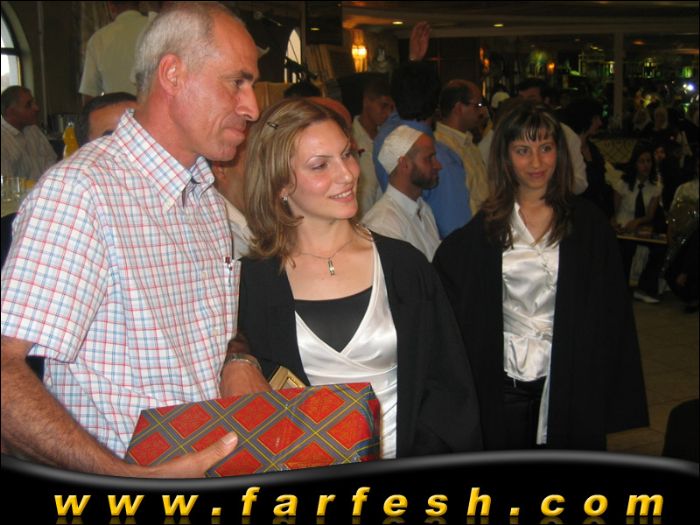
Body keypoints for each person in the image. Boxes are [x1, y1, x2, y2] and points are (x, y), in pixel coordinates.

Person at [1, 2, 269, 477]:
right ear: (173, 74)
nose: (252, 107)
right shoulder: (82, 193)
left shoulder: (204, 198)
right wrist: (122, 476)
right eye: (237, 82)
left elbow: (207, 336)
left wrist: (237, 358)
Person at [238, 98, 482, 459]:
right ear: (280, 184)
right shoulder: (254, 282)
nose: (347, 174)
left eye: (347, 155)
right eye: (320, 165)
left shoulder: (404, 267)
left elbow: (449, 392)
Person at [434, 102, 648, 450]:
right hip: (505, 379)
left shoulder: (588, 224)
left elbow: (612, 312)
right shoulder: (487, 228)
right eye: (523, 150)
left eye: (545, 148)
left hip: (569, 372)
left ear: (558, 153)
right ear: (505, 157)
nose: (536, 162)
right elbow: (451, 283)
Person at [363, 125, 441, 260]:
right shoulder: (383, 225)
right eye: (429, 158)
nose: (438, 165)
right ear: (404, 164)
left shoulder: (423, 209)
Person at [612, 142, 665, 303]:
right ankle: (621, 288)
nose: (646, 165)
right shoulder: (623, 183)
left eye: (648, 161)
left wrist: (638, 222)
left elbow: (650, 215)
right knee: (627, 247)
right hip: (623, 225)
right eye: (642, 161)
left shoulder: (656, 186)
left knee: (660, 248)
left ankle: (644, 288)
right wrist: (616, 225)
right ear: (635, 163)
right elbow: (614, 211)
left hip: (641, 225)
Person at [516, 78, 588, 195]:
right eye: (521, 100)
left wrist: (545, 179)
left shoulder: (565, 134)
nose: (525, 105)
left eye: (531, 100)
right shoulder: (512, 133)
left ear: (546, 101)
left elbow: (580, 182)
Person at [435, 79, 490, 215]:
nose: (481, 111)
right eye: (477, 105)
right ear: (459, 108)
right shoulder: (441, 148)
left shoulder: (468, 142)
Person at [79, 1, 149, 101]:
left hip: (115, 109)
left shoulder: (98, 39)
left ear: (110, 6)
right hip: (151, 108)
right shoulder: (154, 27)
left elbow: (89, 94)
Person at [352, 73, 394, 216]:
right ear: (366, 102)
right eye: (383, 106)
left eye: (391, 108)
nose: (387, 113)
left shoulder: (390, 138)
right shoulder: (350, 138)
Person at [1, 86, 57, 183]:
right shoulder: (3, 141)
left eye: (34, 103)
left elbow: (52, 164)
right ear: (10, 112)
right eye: (28, 105)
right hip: (22, 193)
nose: (36, 108)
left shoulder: (33, 130)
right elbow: (7, 186)